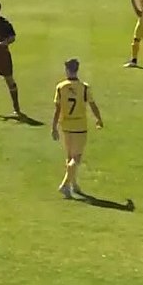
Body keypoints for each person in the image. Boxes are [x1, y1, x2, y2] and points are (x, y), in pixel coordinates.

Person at [51, 58, 104, 199]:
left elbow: (57, 109)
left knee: (69, 157)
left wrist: (54, 127)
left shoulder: (60, 87)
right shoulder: (84, 87)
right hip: (79, 126)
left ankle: (73, 185)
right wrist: (98, 119)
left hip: (65, 126)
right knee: (77, 158)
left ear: (67, 70)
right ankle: (65, 184)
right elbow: (92, 105)